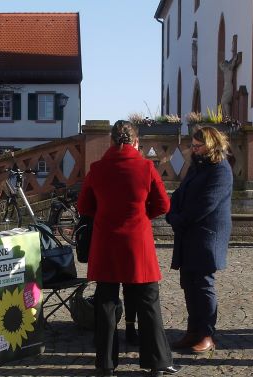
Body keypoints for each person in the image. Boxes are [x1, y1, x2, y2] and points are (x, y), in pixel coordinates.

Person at [77, 120, 180, 377]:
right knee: (148, 303)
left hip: (106, 243)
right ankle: (157, 362)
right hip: (137, 242)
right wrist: (142, 215)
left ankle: (105, 365)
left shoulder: (97, 168)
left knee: (106, 303)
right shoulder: (146, 167)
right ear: (136, 143)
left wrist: (104, 214)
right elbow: (163, 205)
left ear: (111, 142)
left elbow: (84, 207)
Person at [166, 126, 233, 354]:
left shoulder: (220, 169)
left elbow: (207, 203)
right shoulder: (197, 166)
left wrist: (180, 219)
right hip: (189, 233)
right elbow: (179, 194)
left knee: (203, 285)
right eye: (193, 146)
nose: (194, 150)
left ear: (211, 145)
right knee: (189, 284)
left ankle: (206, 334)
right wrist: (172, 213)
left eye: (198, 146)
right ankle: (193, 330)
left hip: (206, 235)